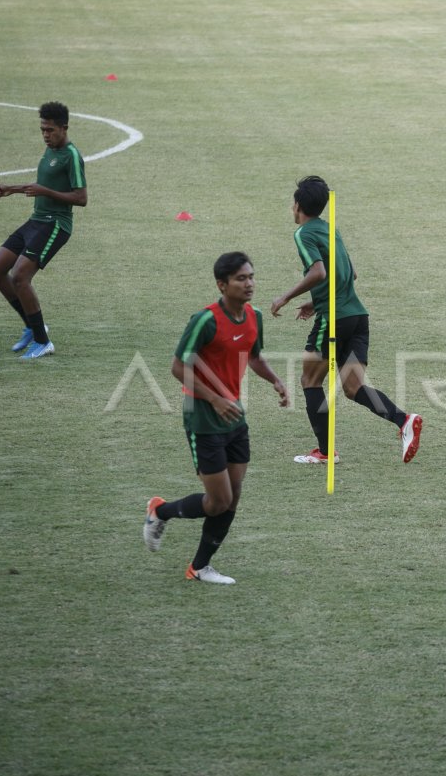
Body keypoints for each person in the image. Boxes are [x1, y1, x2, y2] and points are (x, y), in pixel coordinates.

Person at [143, 252, 290, 585]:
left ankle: (199, 567)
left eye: (251, 276)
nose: (249, 283)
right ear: (222, 285)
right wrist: (214, 398)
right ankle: (159, 511)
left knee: (233, 496)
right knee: (218, 501)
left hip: (234, 416)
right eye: (241, 278)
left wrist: (275, 380)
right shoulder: (205, 320)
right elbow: (178, 367)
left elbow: (253, 356)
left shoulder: (254, 316)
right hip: (203, 418)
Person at [270, 176, 422, 465]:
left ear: (298, 205)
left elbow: (318, 273)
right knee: (353, 388)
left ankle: (326, 453)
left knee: (310, 381)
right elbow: (350, 275)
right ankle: (404, 420)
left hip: (334, 320)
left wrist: (285, 297)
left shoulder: (304, 234)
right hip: (357, 317)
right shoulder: (331, 230)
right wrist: (315, 302)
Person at [0, 101, 87, 359]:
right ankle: (33, 327)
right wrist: (13, 189)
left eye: (50, 130)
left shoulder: (71, 156)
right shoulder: (50, 150)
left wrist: (44, 192)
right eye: (42, 129)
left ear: (64, 128)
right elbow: (40, 184)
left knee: (20, 276)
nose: (45, 134)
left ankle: (43, 342)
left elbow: (81, 198)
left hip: (56, 224)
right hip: (36, 221)